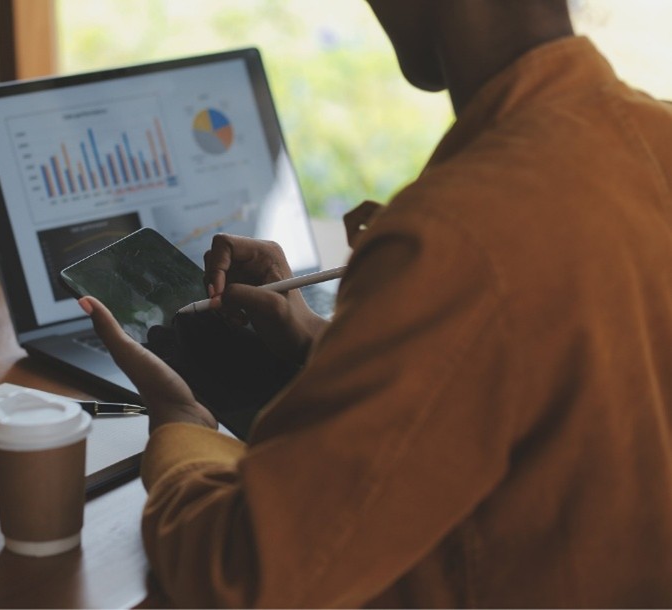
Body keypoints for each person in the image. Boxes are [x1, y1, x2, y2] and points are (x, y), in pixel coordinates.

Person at [78, 0, 672, 606]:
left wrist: (183, 427)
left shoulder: (454, 238)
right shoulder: (653, 135)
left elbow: (247, 576)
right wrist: (326, 342)